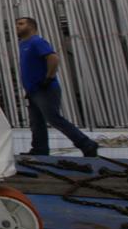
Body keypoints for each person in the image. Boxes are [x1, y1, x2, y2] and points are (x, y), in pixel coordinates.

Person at [16, 16, 99, 157]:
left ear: (31, 26)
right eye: (17, 24)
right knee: (36, 122)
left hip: (44, 89)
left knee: (54, 118)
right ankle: (40, 149)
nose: (17, 26)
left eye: (21, 24)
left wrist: (49, 78)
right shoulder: (23, 44)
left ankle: (87, 144)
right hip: (33, 90)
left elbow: (53, 58)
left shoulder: (37, 41)